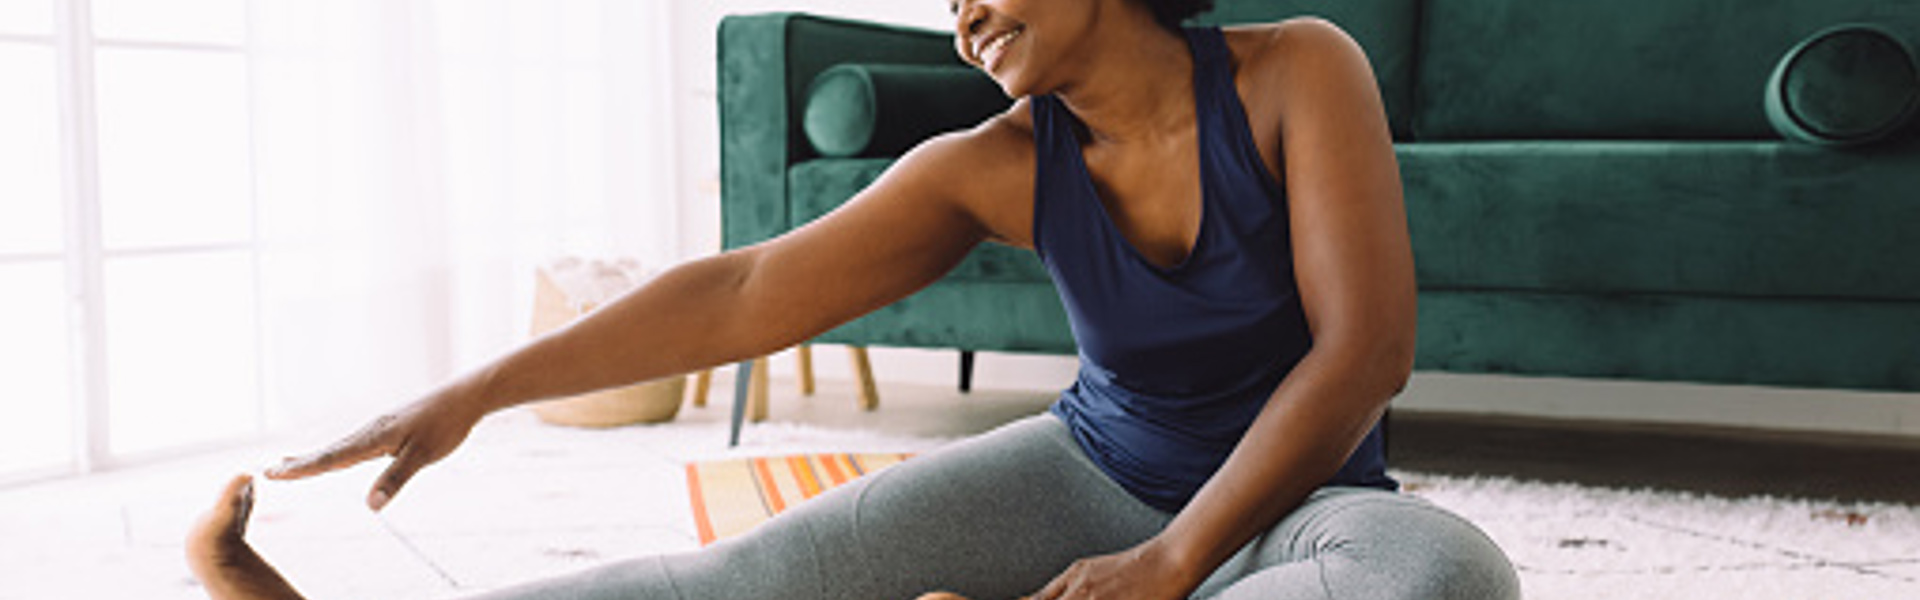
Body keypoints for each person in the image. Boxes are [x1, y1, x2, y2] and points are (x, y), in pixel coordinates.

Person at [187, 0, 1521, 598]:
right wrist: (474, 389)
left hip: (1304, 515)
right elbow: (748, 290)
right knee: (737, 586)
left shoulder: (1298, 73)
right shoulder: (992, 167)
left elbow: (1366, 352)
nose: (962, 16)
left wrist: (1173, 565)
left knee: (1447, 578)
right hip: (1085, 476)